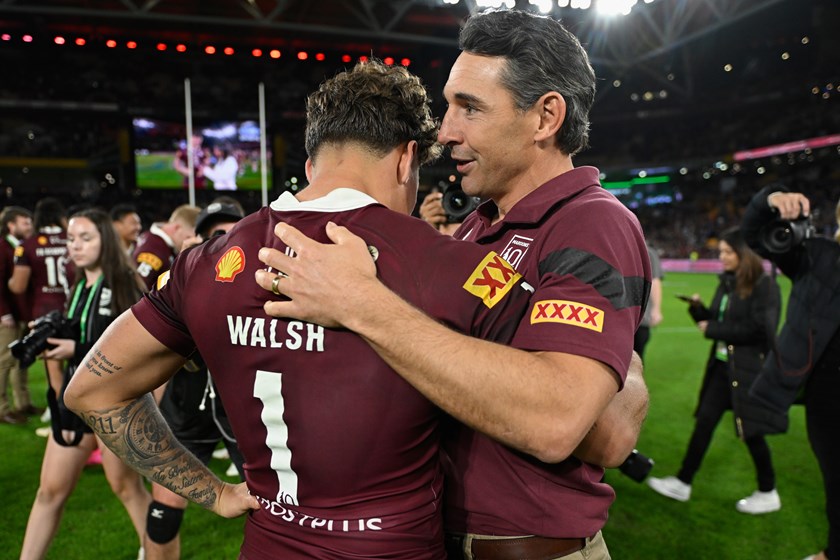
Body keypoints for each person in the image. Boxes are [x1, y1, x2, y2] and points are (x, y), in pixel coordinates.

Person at [65, 60, 538, 559]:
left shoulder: (202, 264)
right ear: (407, 159)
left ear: (313, 164)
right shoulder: (460, 265)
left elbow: (92, 392)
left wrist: (215, 493)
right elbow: (554, 412)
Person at [254, 10, 651, 559]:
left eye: (470, 107)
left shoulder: (591, 222)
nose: (445, 131)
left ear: (545, 117)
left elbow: (557, 420)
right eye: (449, 105)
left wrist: (363, 305)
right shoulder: (477, 224)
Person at [20, 209, 151, 560]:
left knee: (126, 487)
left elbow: (138, 349)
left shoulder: (125, 281)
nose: (75, 246)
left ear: (105, 241)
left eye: (86, 238)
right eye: (72, 239)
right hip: (73, 401)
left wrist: (75, 347)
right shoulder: (79, 283)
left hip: (114, 403)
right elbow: (86, 333)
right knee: (48, 492)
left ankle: (155, 551)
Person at [647, 227, 782, 513]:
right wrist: (698, 310)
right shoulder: (727, 282)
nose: (721, 256)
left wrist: (715, 328)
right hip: (721, 368)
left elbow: (761, 330)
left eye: (727, 252)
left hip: (748, 370)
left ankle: (768, 490)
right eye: (721, 251)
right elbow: (717, 320)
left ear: (743, 254)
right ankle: (683, 482)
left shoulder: (765, 285)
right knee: (705, 422)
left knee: (751, 432)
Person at [740, 188, 840, 560]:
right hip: (827, 398)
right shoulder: (819, 257)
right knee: (836, 478)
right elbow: (754, 234)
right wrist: (769, 200)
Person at [143, 200, 246, 560]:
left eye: (233, 233)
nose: (225, 242)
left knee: (281, 518)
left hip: (246, 414)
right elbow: (152, 349)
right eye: (214, 235)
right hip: (186, 408)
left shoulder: (266, 280)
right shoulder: (177, 281)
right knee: (162, 518)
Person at [9, 198, 72, 414]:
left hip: (45, 311)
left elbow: (18, 286)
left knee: (54, 369)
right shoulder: (73, 240)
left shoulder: (28, 245)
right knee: (82, 363)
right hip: (74, 308)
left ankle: (60, 415)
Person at [0, 206, 36, 424]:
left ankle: (23, 403)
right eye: (25, 222)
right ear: (11, 225)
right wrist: (3, 313)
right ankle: (2, 409)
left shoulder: (23, 247)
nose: (30, 226)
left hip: (22, 314)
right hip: (8, 315)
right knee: (4, 362)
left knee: (22, 360)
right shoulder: (2, 247)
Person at [132, 204, 200, 291]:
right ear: (176, 228)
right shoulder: (155, 250)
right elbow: (136, 288)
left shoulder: (152, 239)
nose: (190, 242)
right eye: (188, 237)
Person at [634, 241, 663, 358]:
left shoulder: (647, 252)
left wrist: (656, 309)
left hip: (640, 319)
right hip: (623, 318)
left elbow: (655, 281)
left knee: (634, 361)